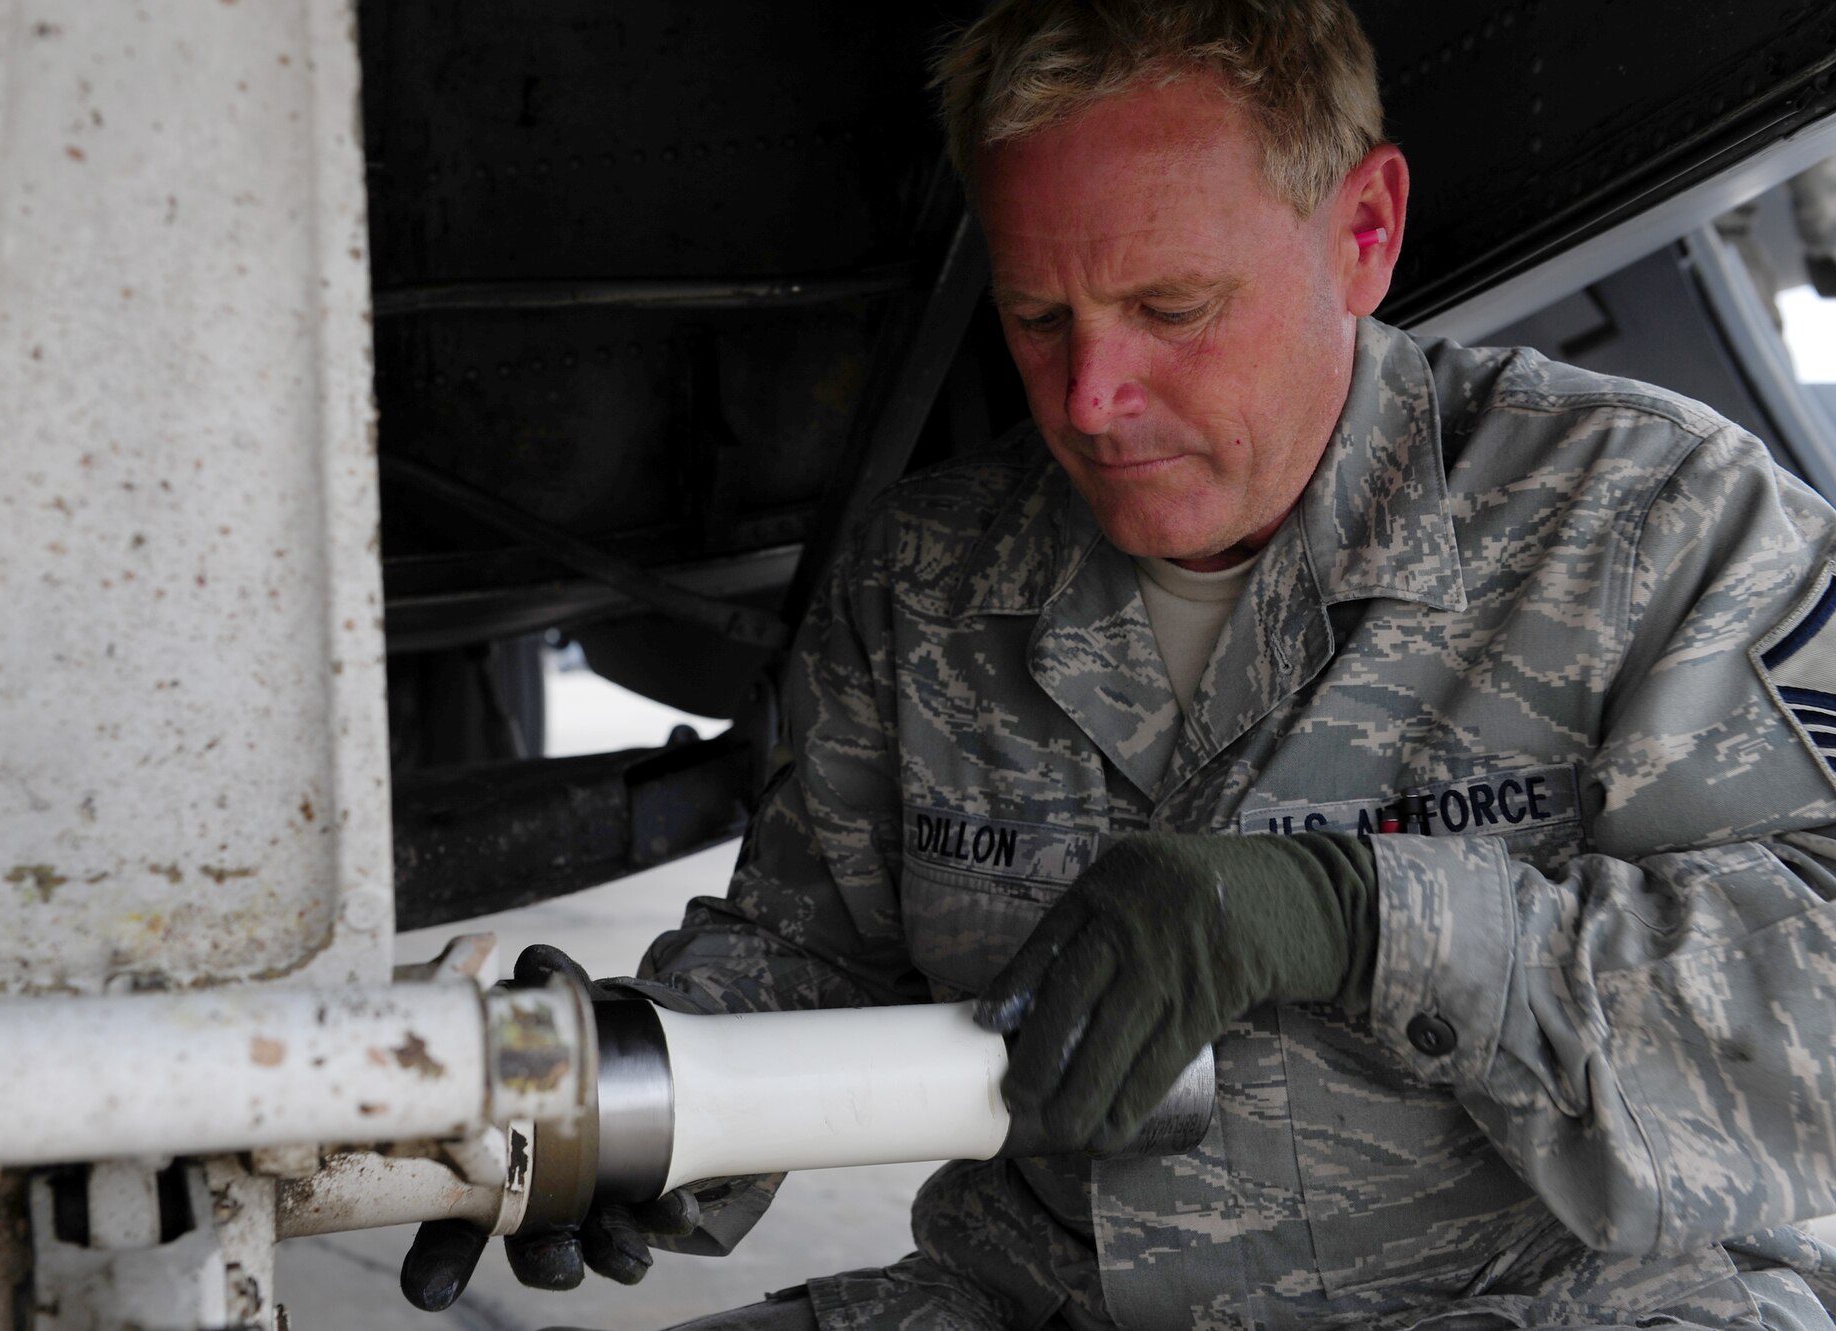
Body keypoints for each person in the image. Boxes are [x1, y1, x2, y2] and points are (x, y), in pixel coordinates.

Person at [417, 1, 1836, 1326]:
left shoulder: (1650, 522)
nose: (1091, 401)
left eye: (1171, 309)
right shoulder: (928, 575)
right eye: (1039, 318)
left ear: (1365, 230)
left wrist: (1365, 919)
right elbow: (803, 952)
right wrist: (572, 1094)